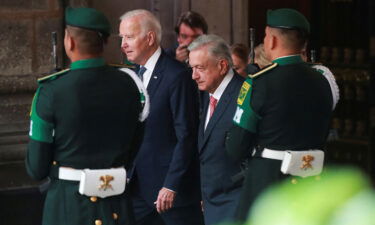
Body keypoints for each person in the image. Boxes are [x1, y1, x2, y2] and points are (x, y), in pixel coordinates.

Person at [26, 7, 146, 225]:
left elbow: (36, 167)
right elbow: (134, 145)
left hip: (68, 207)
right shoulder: (131, 85)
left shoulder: (51, 91)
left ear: (69, 42)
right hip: (117, 207)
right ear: (104, 42)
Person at [226, 8, 333, 222]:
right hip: (312, 181)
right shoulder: (322, 81)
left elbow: (236, 147)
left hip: (269, 184)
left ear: (272, 41)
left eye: (266, 36)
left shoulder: (259, 83)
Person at [119, 9, 204, 225]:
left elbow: (187, 135)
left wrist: (171, 185)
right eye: (122, 38)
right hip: (136, 188)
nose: (123, 44)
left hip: (171, 195)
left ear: (149, 38)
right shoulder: (132, 74)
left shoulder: (177, 76)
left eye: (129, 37)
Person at [188, 34, 245, 225]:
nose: (194, 75)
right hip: (213, 202)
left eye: (200, 68)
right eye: (192, 68)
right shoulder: (209, 92)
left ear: (222, 66)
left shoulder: (243, 94)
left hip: (235, 205)